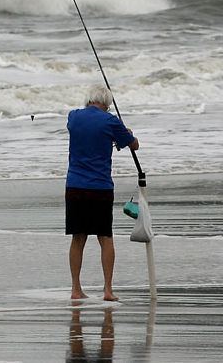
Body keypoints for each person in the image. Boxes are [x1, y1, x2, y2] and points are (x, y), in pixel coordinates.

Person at [66, 84, 139, 301]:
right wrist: (127, 134)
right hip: (100, 187)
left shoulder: (73, 117)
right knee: (105, 237)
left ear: (89, 99)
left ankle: (76, 289)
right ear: (107, 103)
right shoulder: (110, 121)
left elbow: (84, 133)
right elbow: (133, 145)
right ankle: (107, 290)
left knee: (78, 238)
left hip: (75, 185)